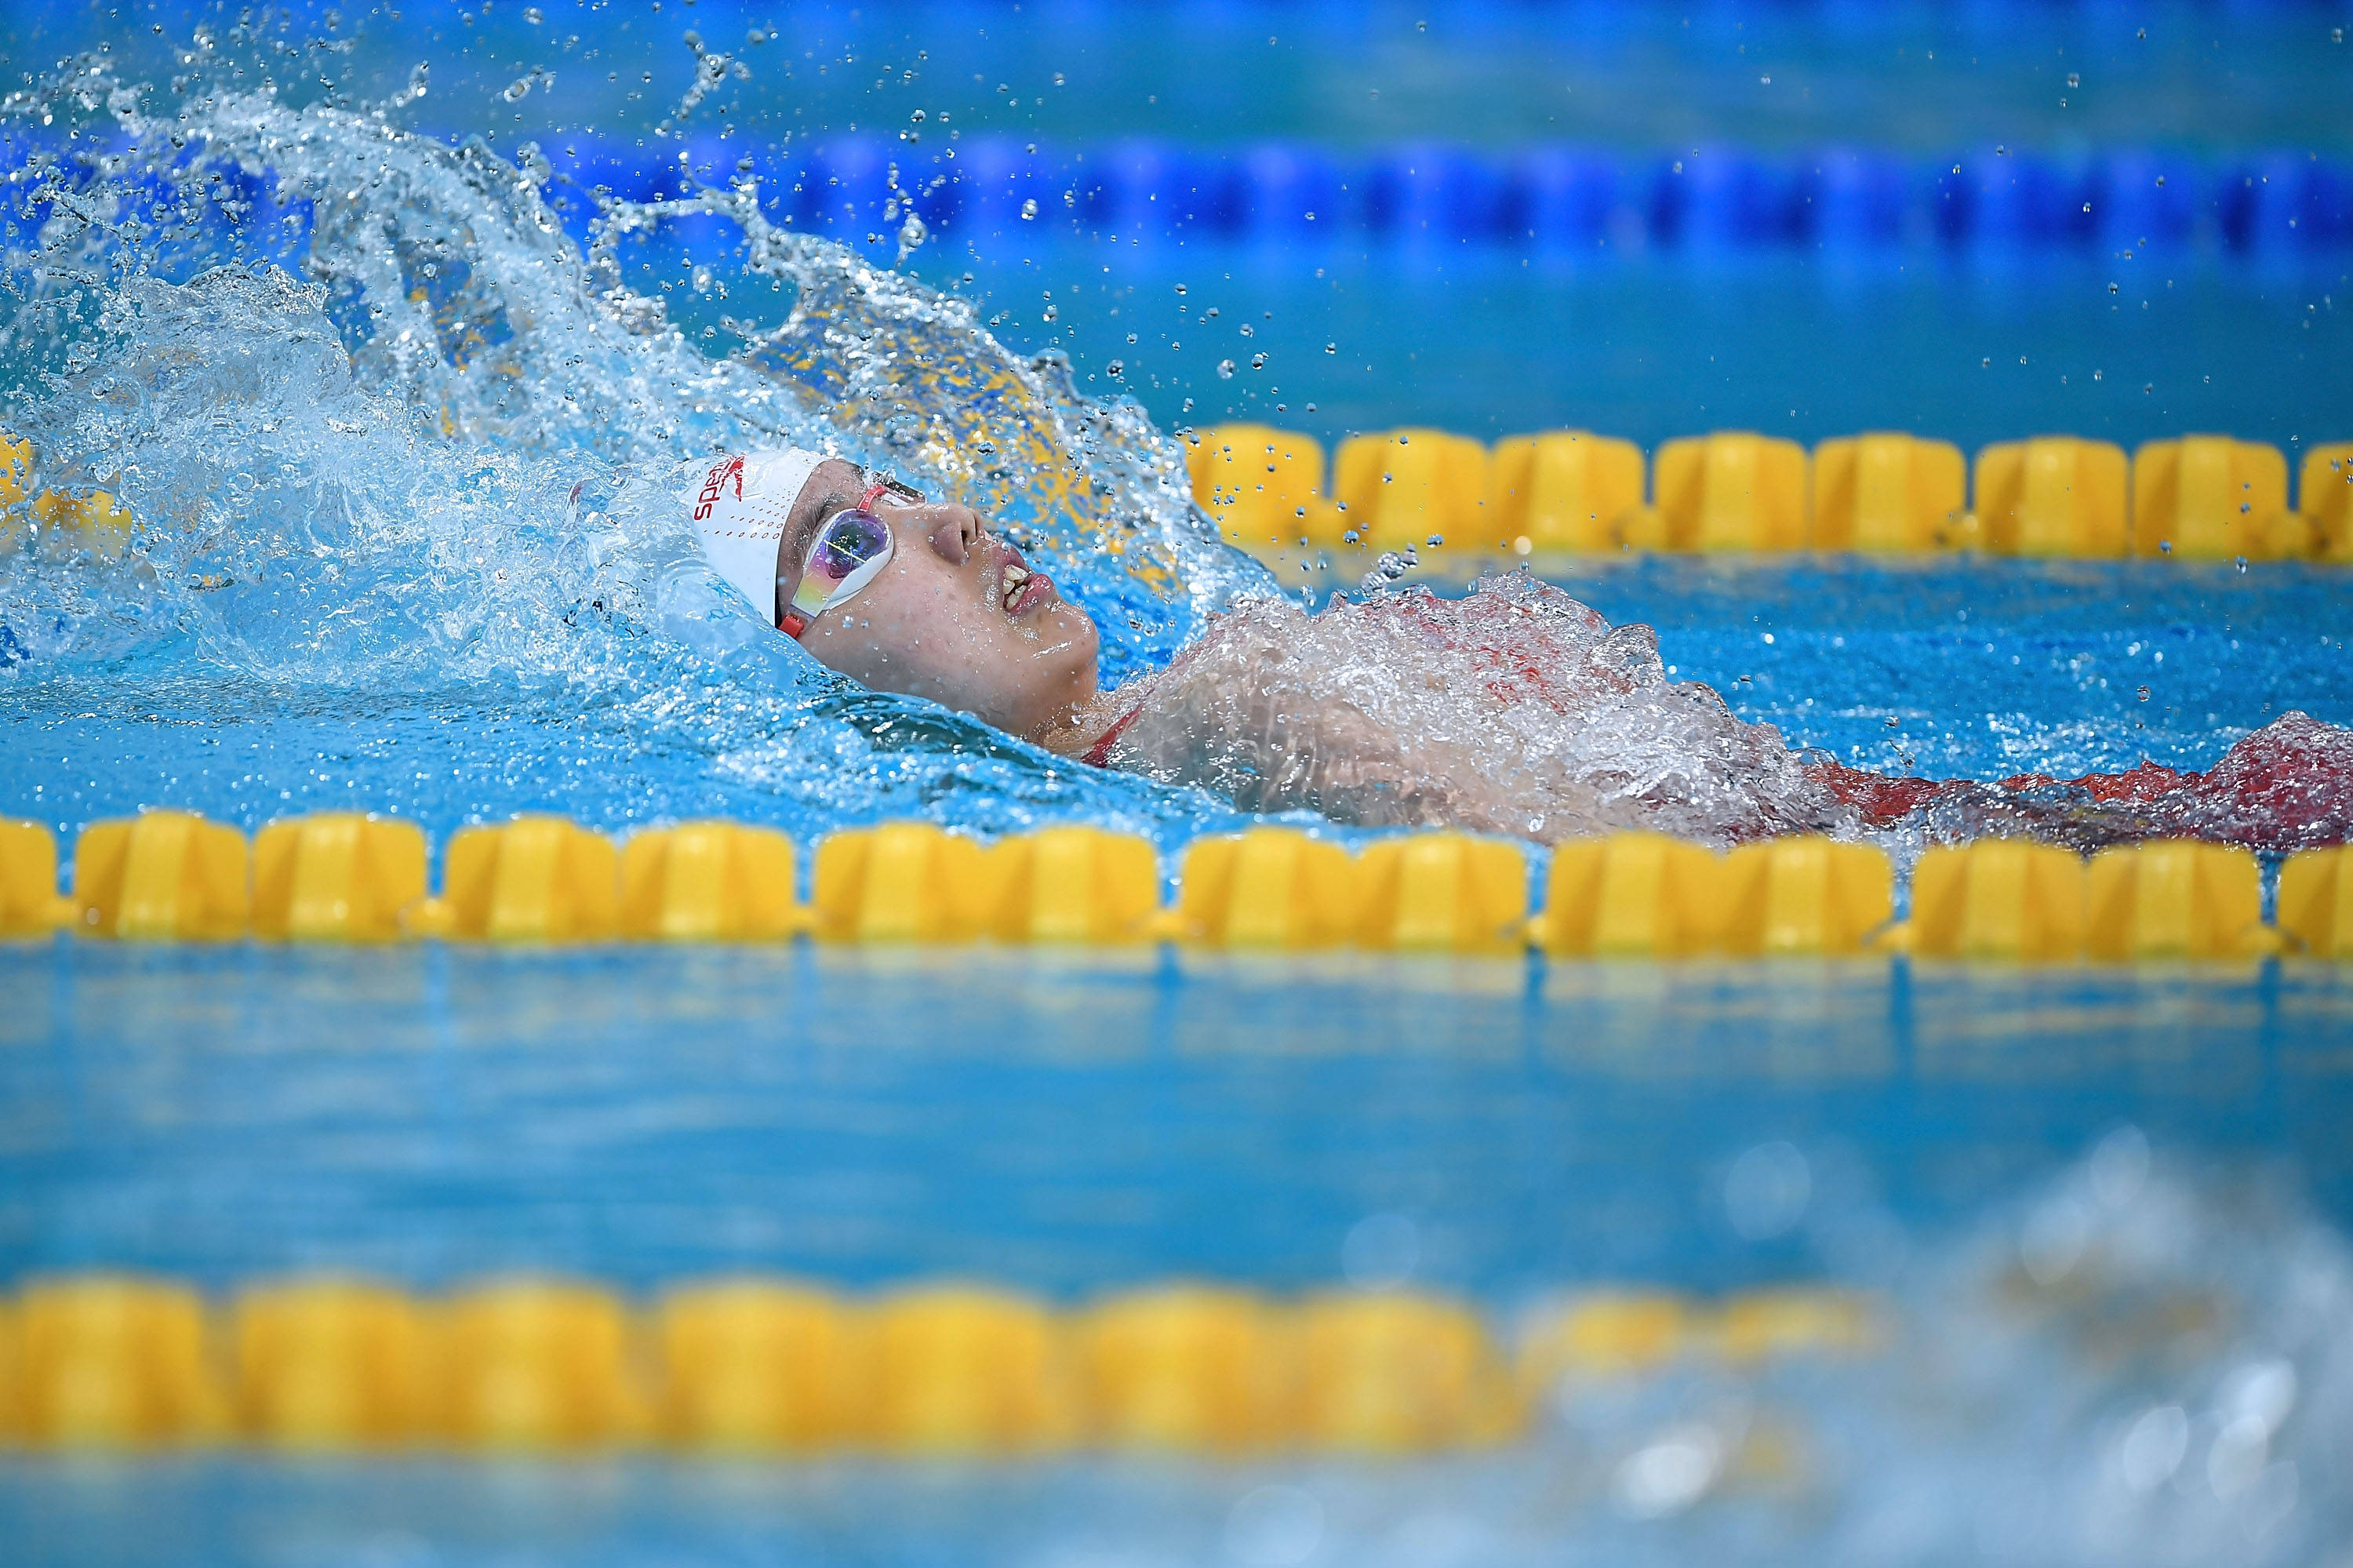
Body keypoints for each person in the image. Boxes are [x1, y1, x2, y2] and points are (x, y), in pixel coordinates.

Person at [695, 446, 2353, 852]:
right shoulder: (1218, 696)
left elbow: (1632, 871)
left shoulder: (1222, 709)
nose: (957, 523)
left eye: (910, 490)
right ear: (808, 670)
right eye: (851, 544)